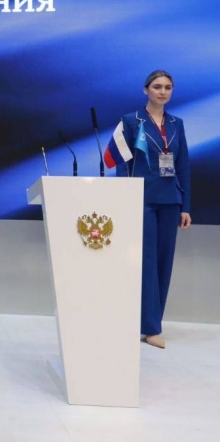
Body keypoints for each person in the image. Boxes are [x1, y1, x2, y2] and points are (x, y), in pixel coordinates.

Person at [113, 70, 191, 349]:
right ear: (145, 90)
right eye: (157, 87)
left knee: (163, 263)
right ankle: (151, 327)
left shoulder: (177, 123)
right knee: (145, 262)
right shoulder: (130, 121)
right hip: (142, 199)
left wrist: (185, 206)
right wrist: (124, 198)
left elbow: (183, 166)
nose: (163, 92)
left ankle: (153, 321)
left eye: (168, 87)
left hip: (171, 199)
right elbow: (121, 163)